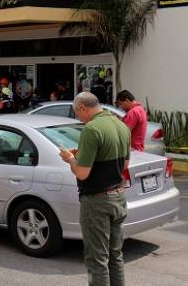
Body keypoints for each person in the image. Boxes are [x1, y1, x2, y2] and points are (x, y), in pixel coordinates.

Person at [59, 92, 130, 286]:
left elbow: (82, 173)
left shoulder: (91, 129)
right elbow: (124, 165)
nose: (78, 118)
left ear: (83, 108)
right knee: (115, 255)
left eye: (77, 113)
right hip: (118, 197)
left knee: (97, 260)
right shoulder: (121, 125)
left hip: (97, 201)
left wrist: (71, 159)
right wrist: (83, 156)